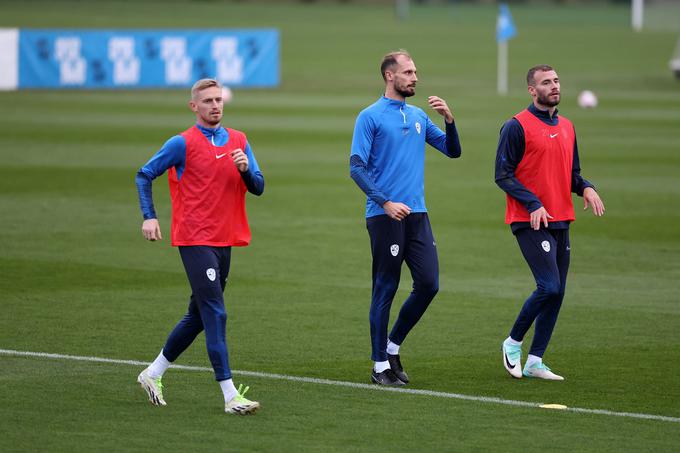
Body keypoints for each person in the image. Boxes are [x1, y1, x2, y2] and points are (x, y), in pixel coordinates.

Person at [134, 78, 264, 414]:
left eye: (218, 100)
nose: (215, 106)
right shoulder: (182, 143)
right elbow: (144, 174)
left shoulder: (239, 141)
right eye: (207, 101)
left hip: (225, 239)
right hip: (194, 238)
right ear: (194, 106)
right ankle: (230, 395)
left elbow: (259, 186)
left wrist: (246, 170)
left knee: (198, 315)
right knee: (216, 312)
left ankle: (153, 373)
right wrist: (150, 216)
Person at [350, 50, 462, 386]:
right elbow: (356, 167)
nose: (415, 77)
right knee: (385, 287)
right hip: (385, 217)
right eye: (409, 72)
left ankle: (392, 346)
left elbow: (452, 151)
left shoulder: (417, 115)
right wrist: (384, 203)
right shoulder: (369, 117)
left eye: (415, 72)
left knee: (429, 284)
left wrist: (450, 121)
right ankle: (379, 365)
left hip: (418, 214)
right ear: (389, 76)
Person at [495, 65, 605, 381]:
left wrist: (586, 186)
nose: (554, 86)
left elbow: (571, 173)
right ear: (532, 90)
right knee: (549, 285)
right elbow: (503, 174)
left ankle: (535, 361)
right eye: (546, 82)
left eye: (556, 80)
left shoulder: (568, 127)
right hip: (528, 219)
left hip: (560, 218)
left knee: (558, 292)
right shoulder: (516, 126)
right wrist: (533, 203)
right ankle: (512, 343)